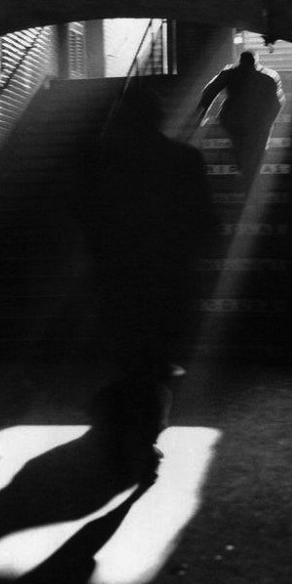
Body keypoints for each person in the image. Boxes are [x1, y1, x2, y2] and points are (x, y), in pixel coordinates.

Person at [77, 84, 216, 483]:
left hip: (118, 281)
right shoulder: (185, 159)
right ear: (159, 117)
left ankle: (123, 423)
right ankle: (143, 431)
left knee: (130, 356)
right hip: (169, 280)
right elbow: (204, 221)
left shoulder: (101, 162)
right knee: (155, 361)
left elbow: (83, 215)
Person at [195, 50, 285, 191]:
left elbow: (210, 91)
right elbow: (277, 103)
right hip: (256, 122)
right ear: (256, 63)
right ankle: (249, 176)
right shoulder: (267, 79)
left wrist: (201, 114)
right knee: (253, 149)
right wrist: (268, 123)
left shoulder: (230, 74)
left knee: (240, 147)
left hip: (234, 120)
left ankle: (245, 173)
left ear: (240, 61)